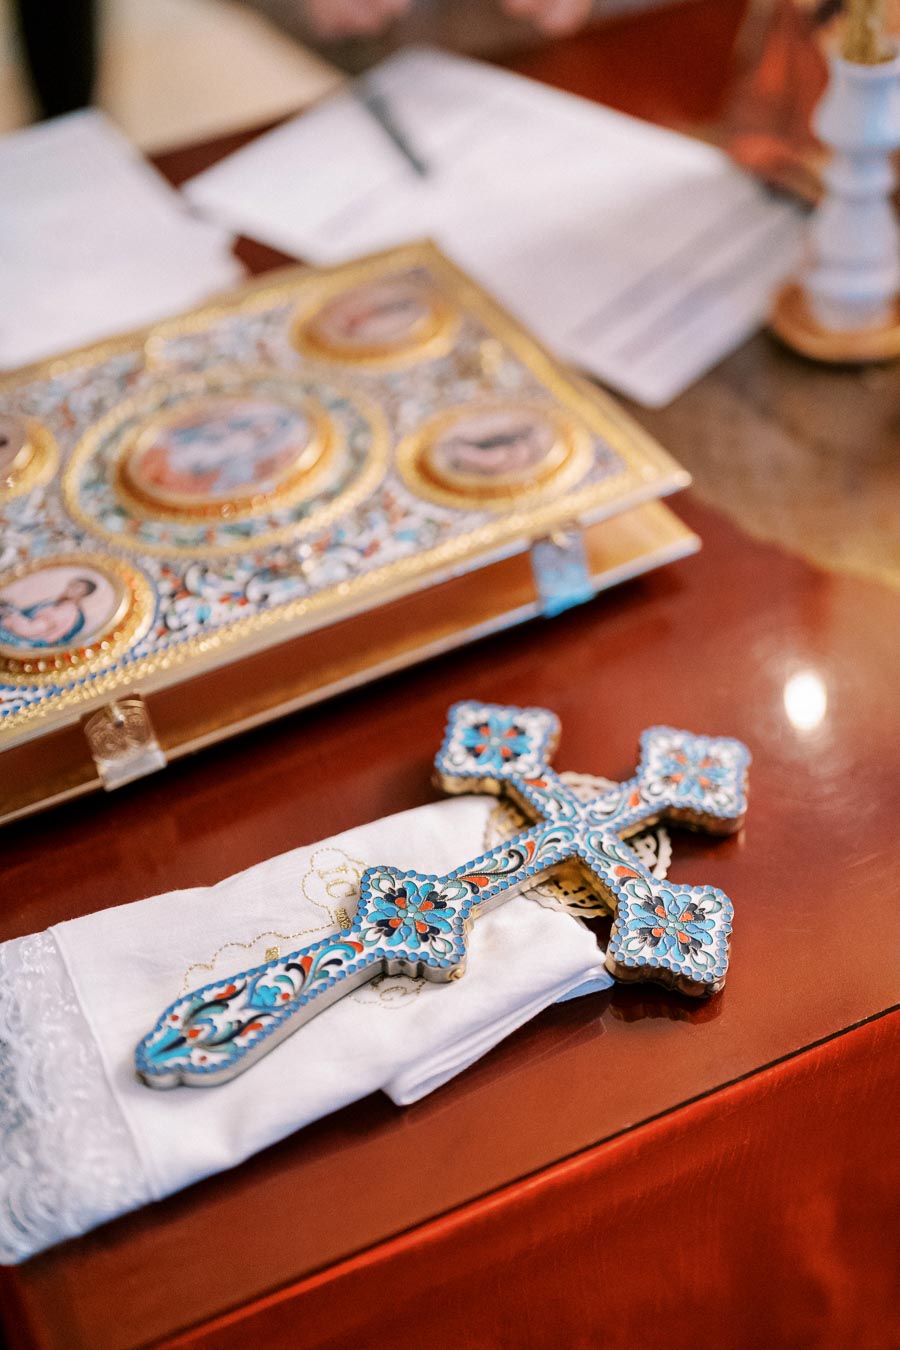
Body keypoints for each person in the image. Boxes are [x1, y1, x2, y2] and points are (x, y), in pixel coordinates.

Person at [0, 576, 99, 650]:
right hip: (29, 628)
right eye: (71, 585)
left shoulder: (69, 611)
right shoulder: (55, 603)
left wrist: (12, 616)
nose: (70, 588)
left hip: (31, 632)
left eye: (77, 587)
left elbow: (34, 629)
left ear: (83, 594)